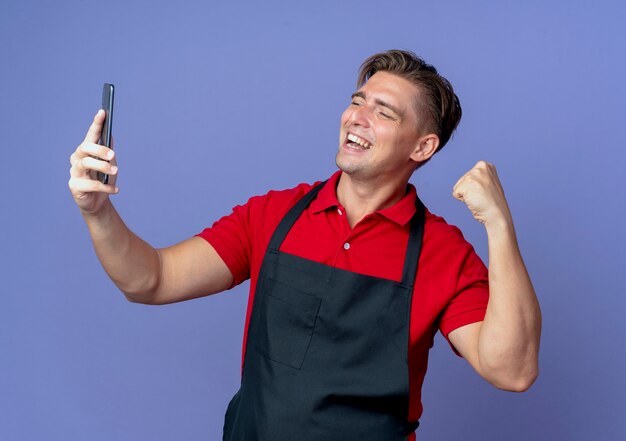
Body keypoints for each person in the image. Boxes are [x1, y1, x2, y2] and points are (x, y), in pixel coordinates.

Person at [69, 50, 541, 441]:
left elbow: (512, 371)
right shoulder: (272, 215)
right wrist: (97, 211)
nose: (357, 117)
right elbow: (150, 280)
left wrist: (498, 225)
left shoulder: (443, 252)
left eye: (383, 112)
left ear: (421, 148)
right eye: (358, 101)